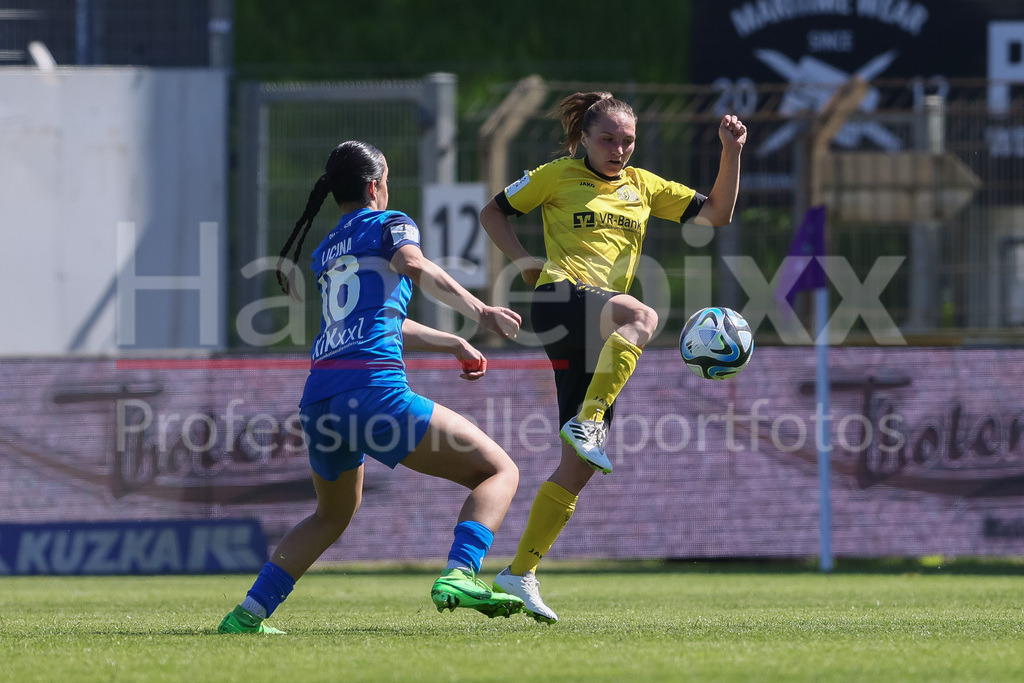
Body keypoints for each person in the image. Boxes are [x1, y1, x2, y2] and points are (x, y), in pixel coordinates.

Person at [219, 140, 526, 634]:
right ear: (374, 186)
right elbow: (415, 266)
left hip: (320, 398)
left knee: (331, 515)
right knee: (499, 472)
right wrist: (482, 312)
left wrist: (451, 342)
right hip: (372, 390)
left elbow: (370, 319)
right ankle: (461, 573)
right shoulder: (390, 223)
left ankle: (247, 616)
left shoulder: (326, 250)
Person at [479, 92, 746, 623]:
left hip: (597, 329)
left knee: (577, 469)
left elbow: (718, 213)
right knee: (642, 318)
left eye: (627, 140)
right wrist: (527, 261)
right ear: (584, 138)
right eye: (608, 139)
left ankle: (519, 572)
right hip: (559, 299)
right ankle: (590, 421)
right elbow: (493, 212)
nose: (618, 149)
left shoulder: (643, 186)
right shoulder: (555, 175)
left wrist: (731, 151)